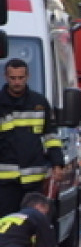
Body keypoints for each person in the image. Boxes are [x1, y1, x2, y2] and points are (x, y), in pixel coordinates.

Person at [0, 59, 65, 217]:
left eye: (20, 78)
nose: (17, 82)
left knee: (34, 223)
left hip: (34, 179)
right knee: (6, 224)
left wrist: (57, 163)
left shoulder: (39, 103)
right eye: (13, 78)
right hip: (5, 182)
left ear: (27, 76)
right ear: (5, 77)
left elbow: (50, 135)